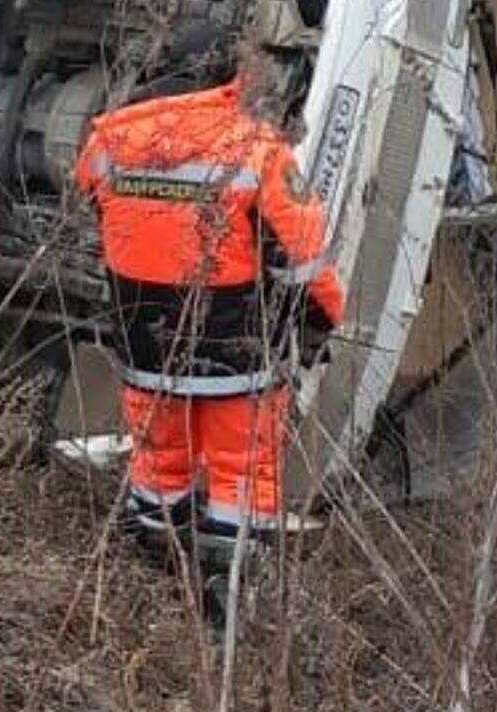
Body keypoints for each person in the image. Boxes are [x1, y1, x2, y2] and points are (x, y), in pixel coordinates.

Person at [74, 28, 346, 547]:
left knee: (159, 461)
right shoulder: (258, 151)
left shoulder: (106, 143)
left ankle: (155, 558)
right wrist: (321, 322)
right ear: (233, 77)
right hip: (235, 347)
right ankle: (227, 576)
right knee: (241, 471)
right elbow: (303, 257)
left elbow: (98, 212)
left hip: (143, 341)